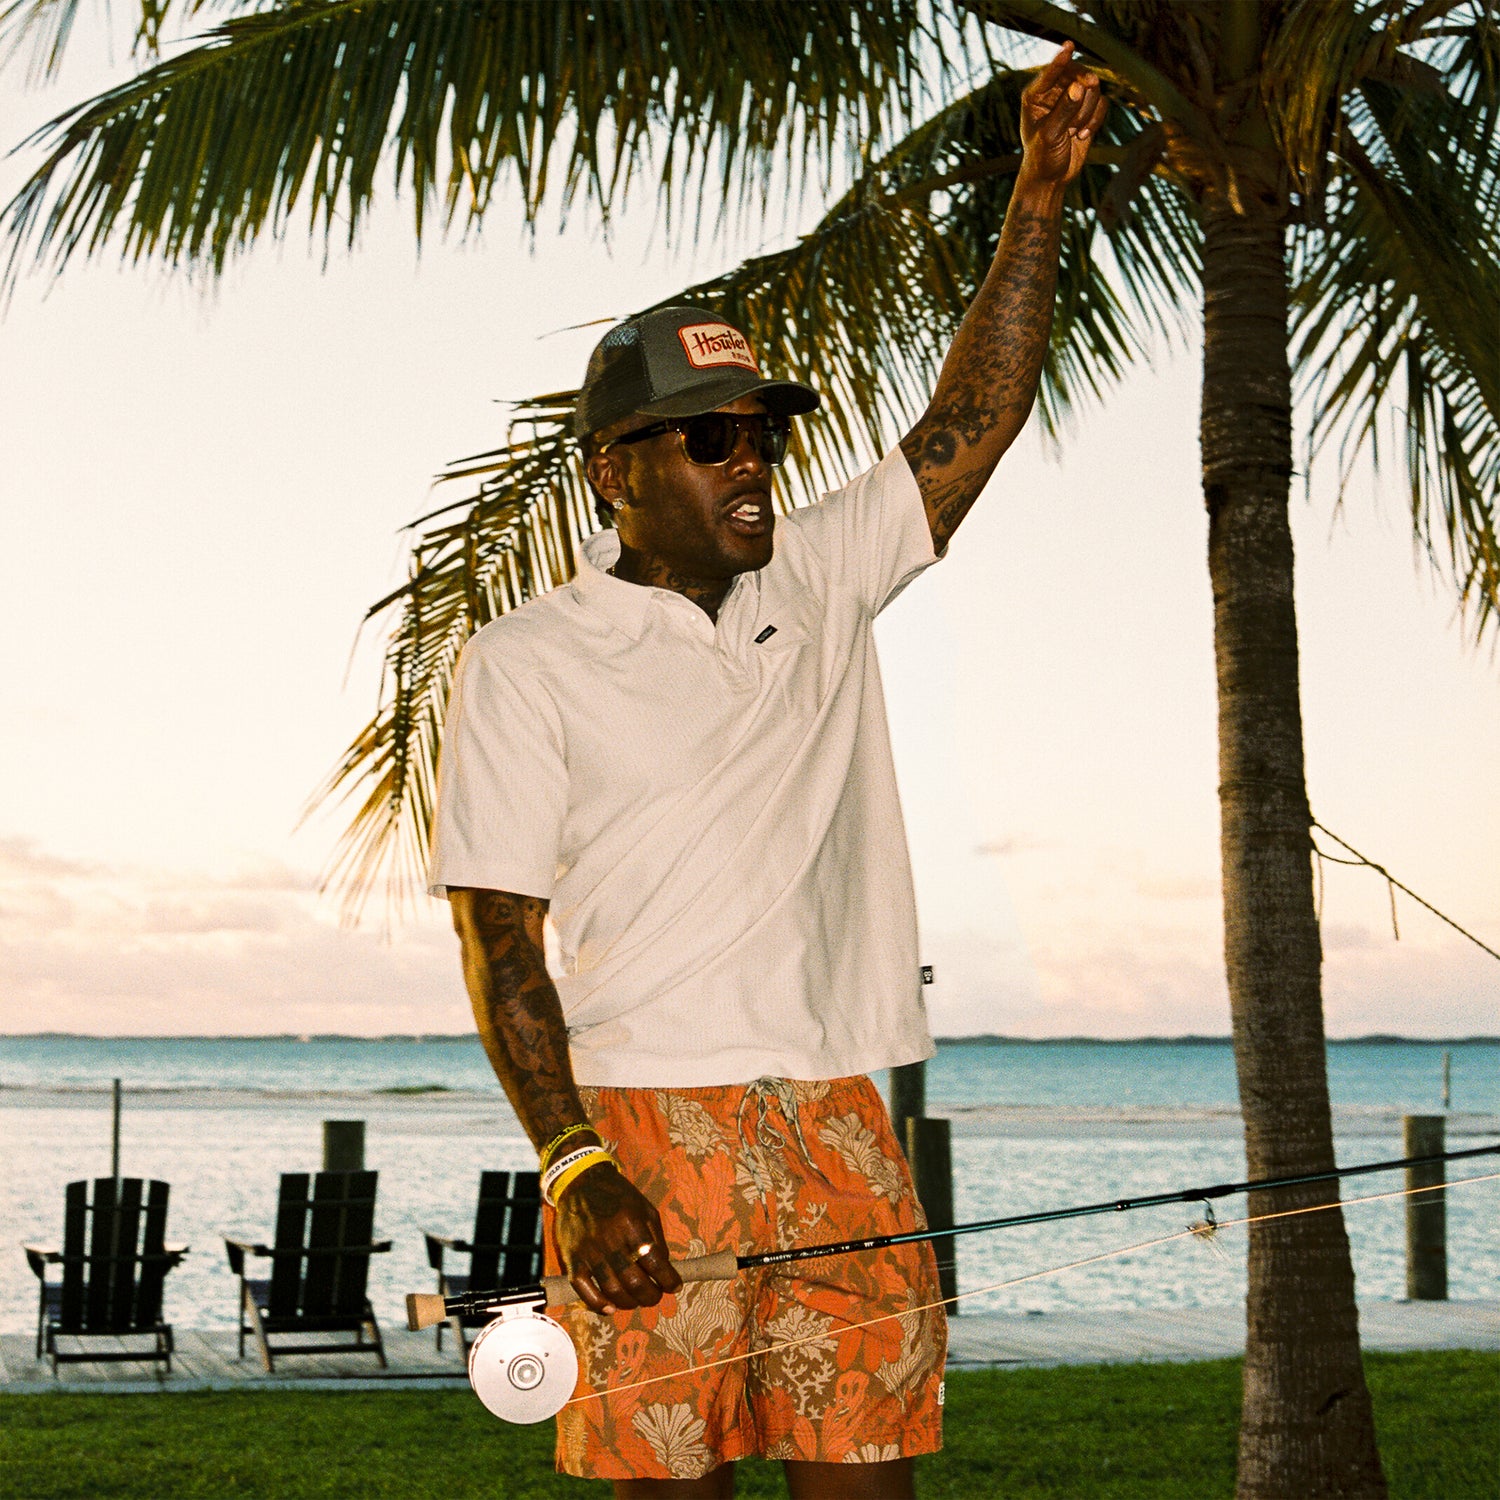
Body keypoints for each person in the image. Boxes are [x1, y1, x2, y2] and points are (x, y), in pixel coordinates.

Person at [429, 43, 1105, 1500]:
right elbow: (499, 938)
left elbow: (970, 422)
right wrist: (572, 1163)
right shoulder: (528, 661)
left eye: (766, 436)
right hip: (642, 1123)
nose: (754, 465)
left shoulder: (823, 573)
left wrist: (1039, 197)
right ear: (616, 470)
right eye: (710, 438)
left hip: (836, 1113)